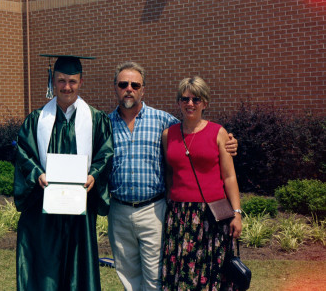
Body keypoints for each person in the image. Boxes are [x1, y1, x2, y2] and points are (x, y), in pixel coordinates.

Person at [107, 62, 238, 291]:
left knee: (158, 274)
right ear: (116, 87)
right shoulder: (105, 124)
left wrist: (231, 142)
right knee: (130, 274)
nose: (129, 88)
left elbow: (202, 138)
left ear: (143, 89)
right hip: (130, 211)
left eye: (134, 84)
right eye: (123, 84)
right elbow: (170, 170)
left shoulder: (163, 121)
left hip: (160, 211)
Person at [13, 55, 114, 291]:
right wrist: (37, 173)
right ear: (53, 81)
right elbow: (23, 154)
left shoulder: (96, 119)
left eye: (72, 81)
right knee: (45, 266)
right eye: (61, 80)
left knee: (78, 268)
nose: (66, 87)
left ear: (81, 82)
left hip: (79, 209)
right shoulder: (36, 120)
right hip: (43, 210)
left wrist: (94, 175)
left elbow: (106, 153)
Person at [161, 76, 242, 290]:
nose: (190, 104)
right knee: (183, 274)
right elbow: (170, 173)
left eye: (196, 99)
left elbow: (229, 176)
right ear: (178, 102)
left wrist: (237, 212)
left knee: (212, 273)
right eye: (185, 99)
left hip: (212, 215)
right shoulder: (169, 134)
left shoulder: (219, 132)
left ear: (204, 103)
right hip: (180, 216)